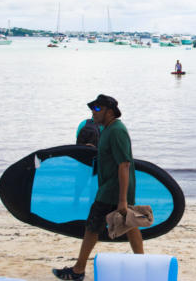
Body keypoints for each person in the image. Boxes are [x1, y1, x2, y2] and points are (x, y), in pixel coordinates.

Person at [53, 94, 143, 281]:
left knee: (92, 226)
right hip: (113, 187)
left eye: (97, 109)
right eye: (92, 109)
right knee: (130, 225)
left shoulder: (117, 130)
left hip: (113, 190)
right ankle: (142, 265)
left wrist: (122, 199)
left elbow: (124, 164)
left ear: (109, 111)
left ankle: (78, 270)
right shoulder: (107, 129)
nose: (93, 112)